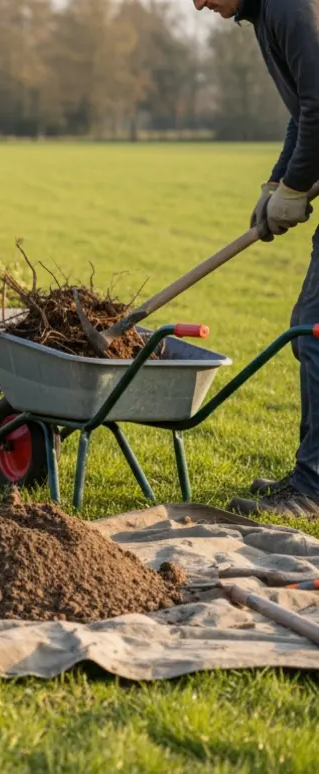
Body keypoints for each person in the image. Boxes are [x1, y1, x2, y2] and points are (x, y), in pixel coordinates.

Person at [196, 0, 319, 516]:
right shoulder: (265, 13)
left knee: (314, 333)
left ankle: (312, 489)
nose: (198, 3)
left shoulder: (291, 6)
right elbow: (301, 114)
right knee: (308, 331)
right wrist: (276, 182)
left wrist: (294, 187)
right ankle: (309, 476)